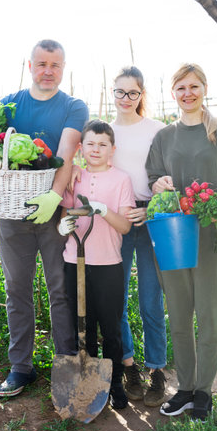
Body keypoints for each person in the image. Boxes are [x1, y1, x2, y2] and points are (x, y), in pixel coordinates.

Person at [0, 39, 89, 397]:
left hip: (52, 214)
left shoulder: (73, 107)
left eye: (56, 65)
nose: (48, 71)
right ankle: (21, 368)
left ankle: (66, 363)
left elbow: (66, 153)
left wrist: (53, 196)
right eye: (42, 63)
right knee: (17, 289)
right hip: (10, 211)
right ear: (30, 65)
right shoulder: (8, 105)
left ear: (64, 68)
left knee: (59, 289)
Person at [146, 63, 217, 422]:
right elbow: (153, 178)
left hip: (211, 233)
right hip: (173, 232)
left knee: (209, 313)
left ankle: (204, 391)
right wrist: (158, 185)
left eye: (194, 86)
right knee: (179, 313)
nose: (188, 93)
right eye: (181, 87)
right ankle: (184, 388)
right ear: (173, 93)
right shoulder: (164, 137)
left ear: (204, 89)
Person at [58, 119, 135, 409]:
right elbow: (64, 217)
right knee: (84, 325)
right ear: (81, 148)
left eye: (102, 144)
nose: (96, 149)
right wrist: (62, 227)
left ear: (112, 149)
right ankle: (90, 381)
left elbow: (125, 227)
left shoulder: (121, 180)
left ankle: (114, 382)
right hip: (73, 261)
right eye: (90, 143)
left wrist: (103, 210)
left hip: (107, 263)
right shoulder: (73, 177)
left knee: (110, 327)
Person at [111, 67, 168, 407]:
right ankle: (129, 364)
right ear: (112, 93)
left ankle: (157, 370)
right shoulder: (106, 131)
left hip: (150, 218)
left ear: (141, 95)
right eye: (120, 92)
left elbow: (168, 175)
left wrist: (150, 207)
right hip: (116, 219)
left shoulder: (156, 130)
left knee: (150, 300)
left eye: (133, 93)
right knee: (115, 300)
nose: (126, 99)